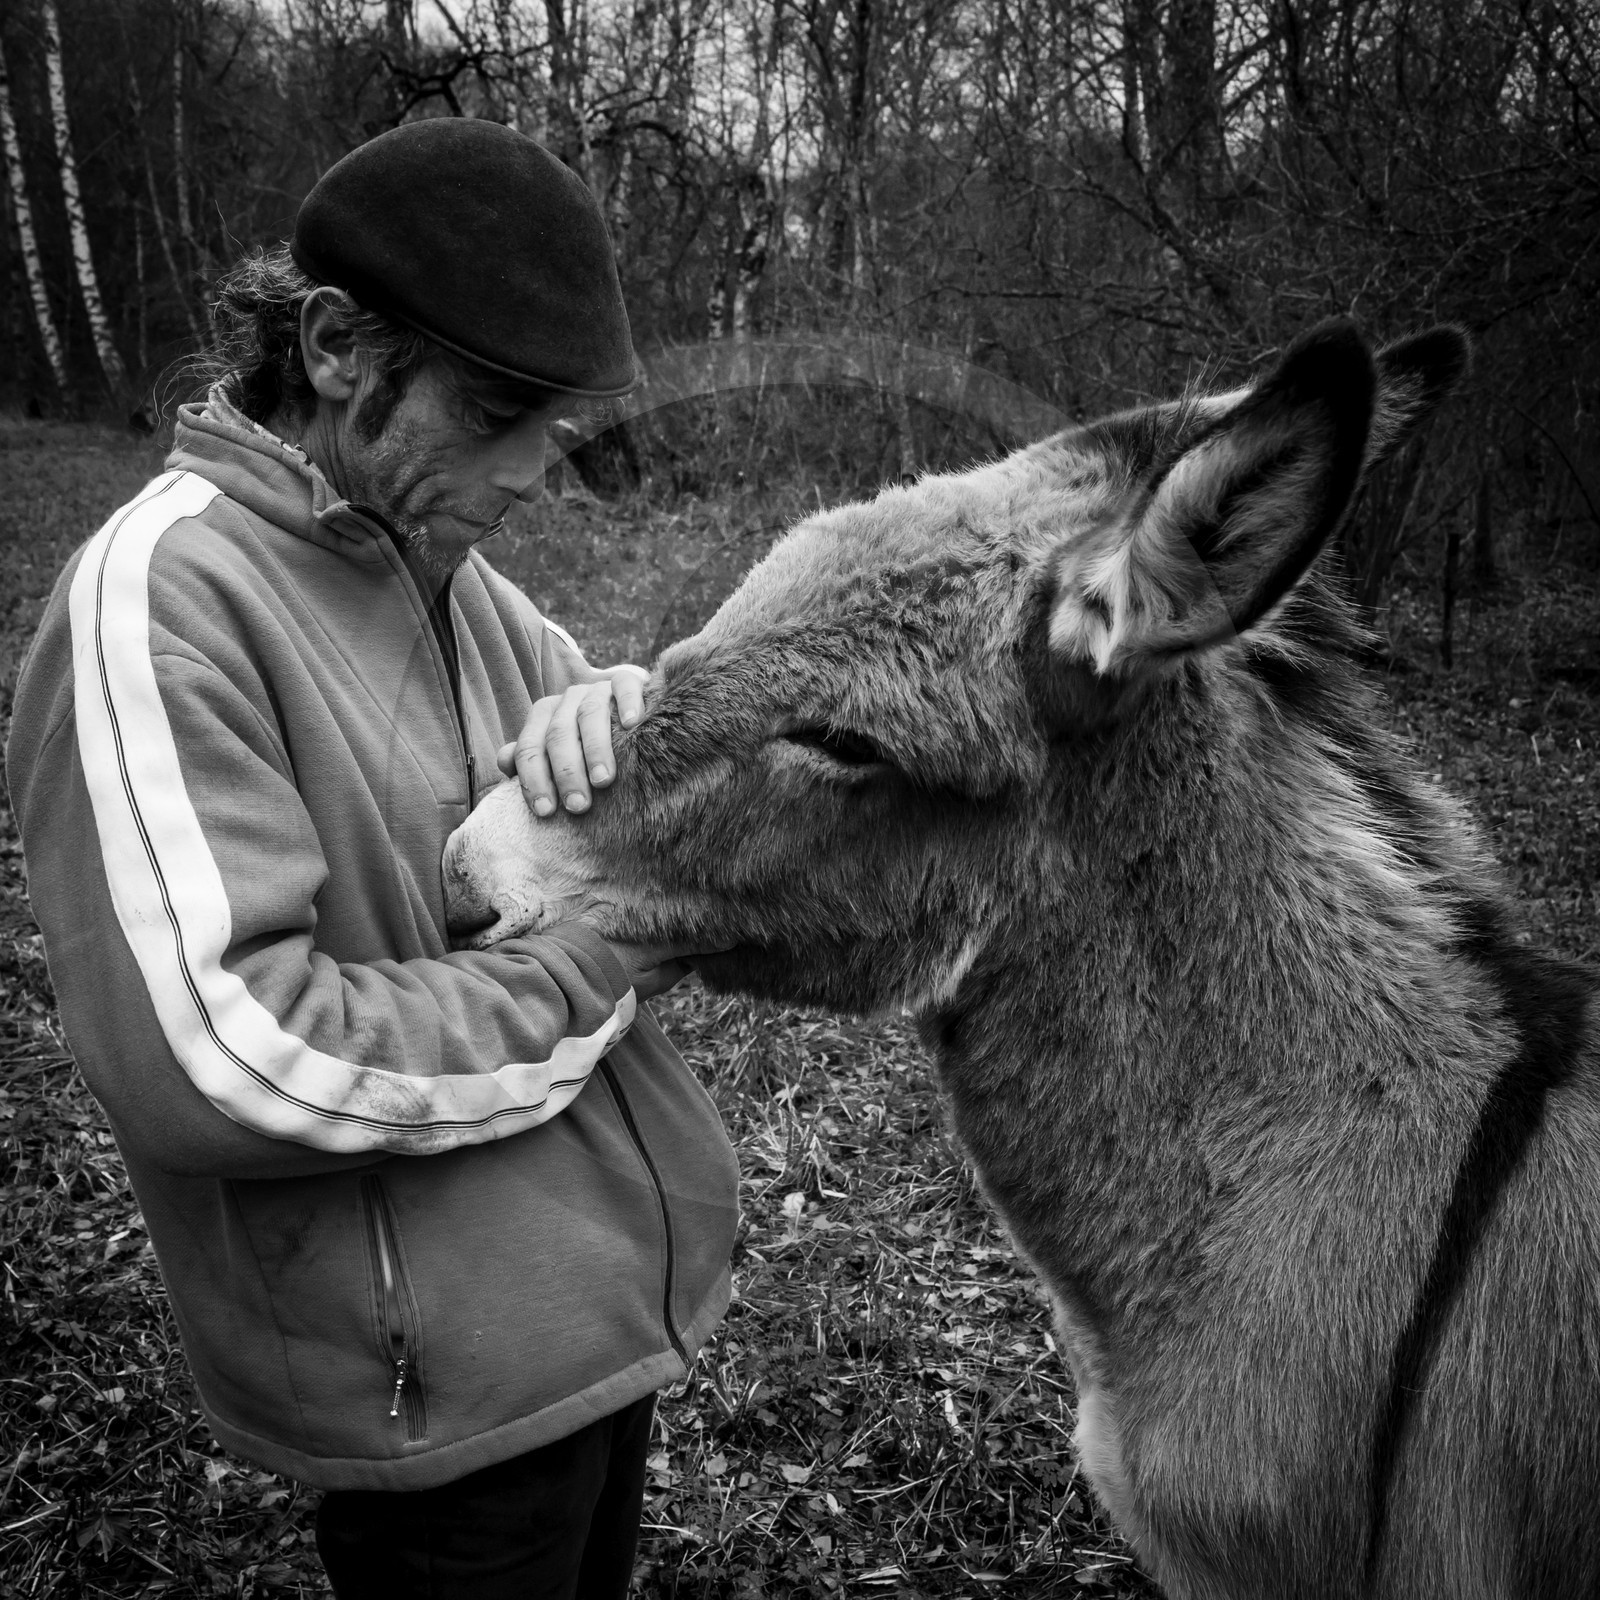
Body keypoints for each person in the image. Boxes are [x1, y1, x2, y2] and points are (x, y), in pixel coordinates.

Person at [5, 118, 740, 1599]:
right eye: (500, 413)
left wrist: (619, 712)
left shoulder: (448, 570)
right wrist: (590, 967)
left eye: (556, 424)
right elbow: (231, 1053)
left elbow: (647, 826)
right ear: (337, 347)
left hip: (600, 1320)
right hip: (440, 1399)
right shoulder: (159, 602)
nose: (533, 469)